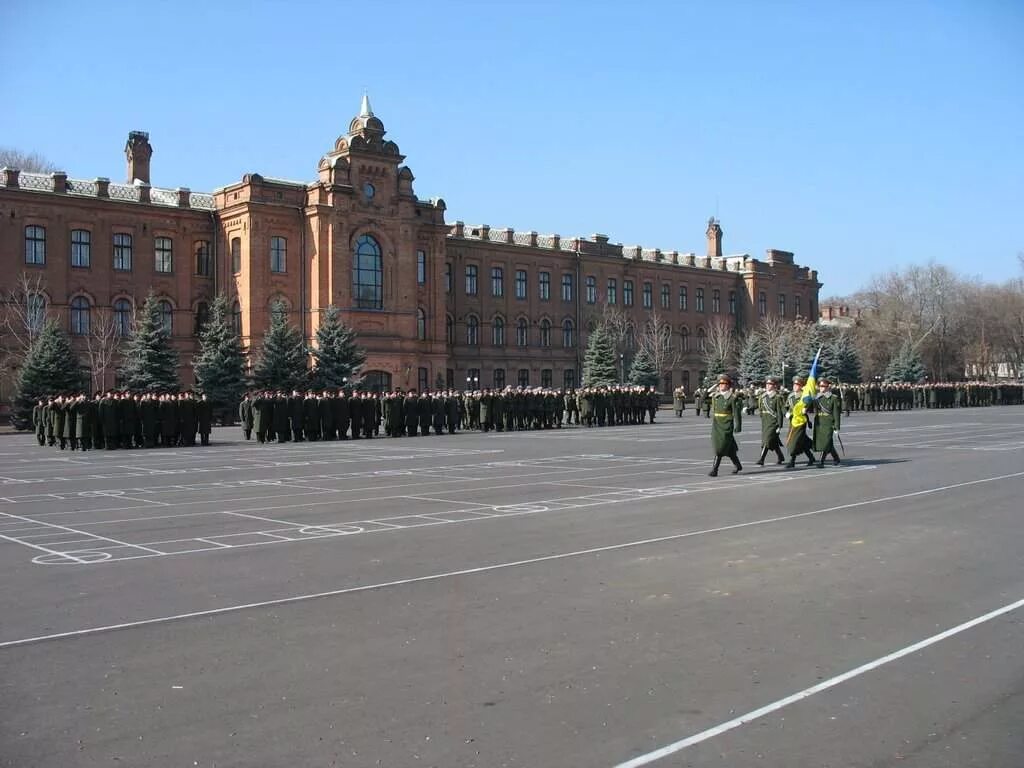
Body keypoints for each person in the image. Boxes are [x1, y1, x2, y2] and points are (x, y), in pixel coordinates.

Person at [708, 373, 743, 477]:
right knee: (729, 449)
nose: (721, 385)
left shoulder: (732, 398)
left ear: (728, 385)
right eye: (720, 383)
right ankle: (738, 465)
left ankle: (715, 469)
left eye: (723, 383)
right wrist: (713, 387)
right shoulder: (716, 396)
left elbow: (736, 413)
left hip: (726, 425)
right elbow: (703, 398)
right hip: (716, 424)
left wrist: (738, 426)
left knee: (720, 447)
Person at [785, 376, 817, 468]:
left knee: (794, 440)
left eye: (797, 385)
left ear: (801, 386)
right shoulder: (790, 396)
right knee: (801, 441)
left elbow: (810, 405)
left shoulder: (804, 396)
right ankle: (811, 456)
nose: (795, 386)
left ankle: (792, 461)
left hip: (801, 422)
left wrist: (806, 409)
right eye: (794, 384)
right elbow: (787, 407)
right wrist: (787, 413)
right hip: (792, 421)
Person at [755, 377, 786, 466]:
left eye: (770, 384)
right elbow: (761, 409)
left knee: (766, 440)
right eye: (767, 384)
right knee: (773, 441)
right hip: (765, 421)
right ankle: (780, 456)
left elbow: (779, 412)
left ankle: (761, 459)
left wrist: (780, 425)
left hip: (773, 421)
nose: (768, 386)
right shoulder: (762, 396)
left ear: (774, 386)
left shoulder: (777, 397)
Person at [813, 378, 842, 467]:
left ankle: (821, 461)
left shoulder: (833, 398)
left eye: (823, 386)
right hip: (819, 423)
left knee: (825, 442)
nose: (821, 388)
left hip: (828, 423)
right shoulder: (817, 398)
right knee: (827, 442)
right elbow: (811, 408)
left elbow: (836, 414)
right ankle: (836, 458)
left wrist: (837, 427)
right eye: (820, 386)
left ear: (828, 387)